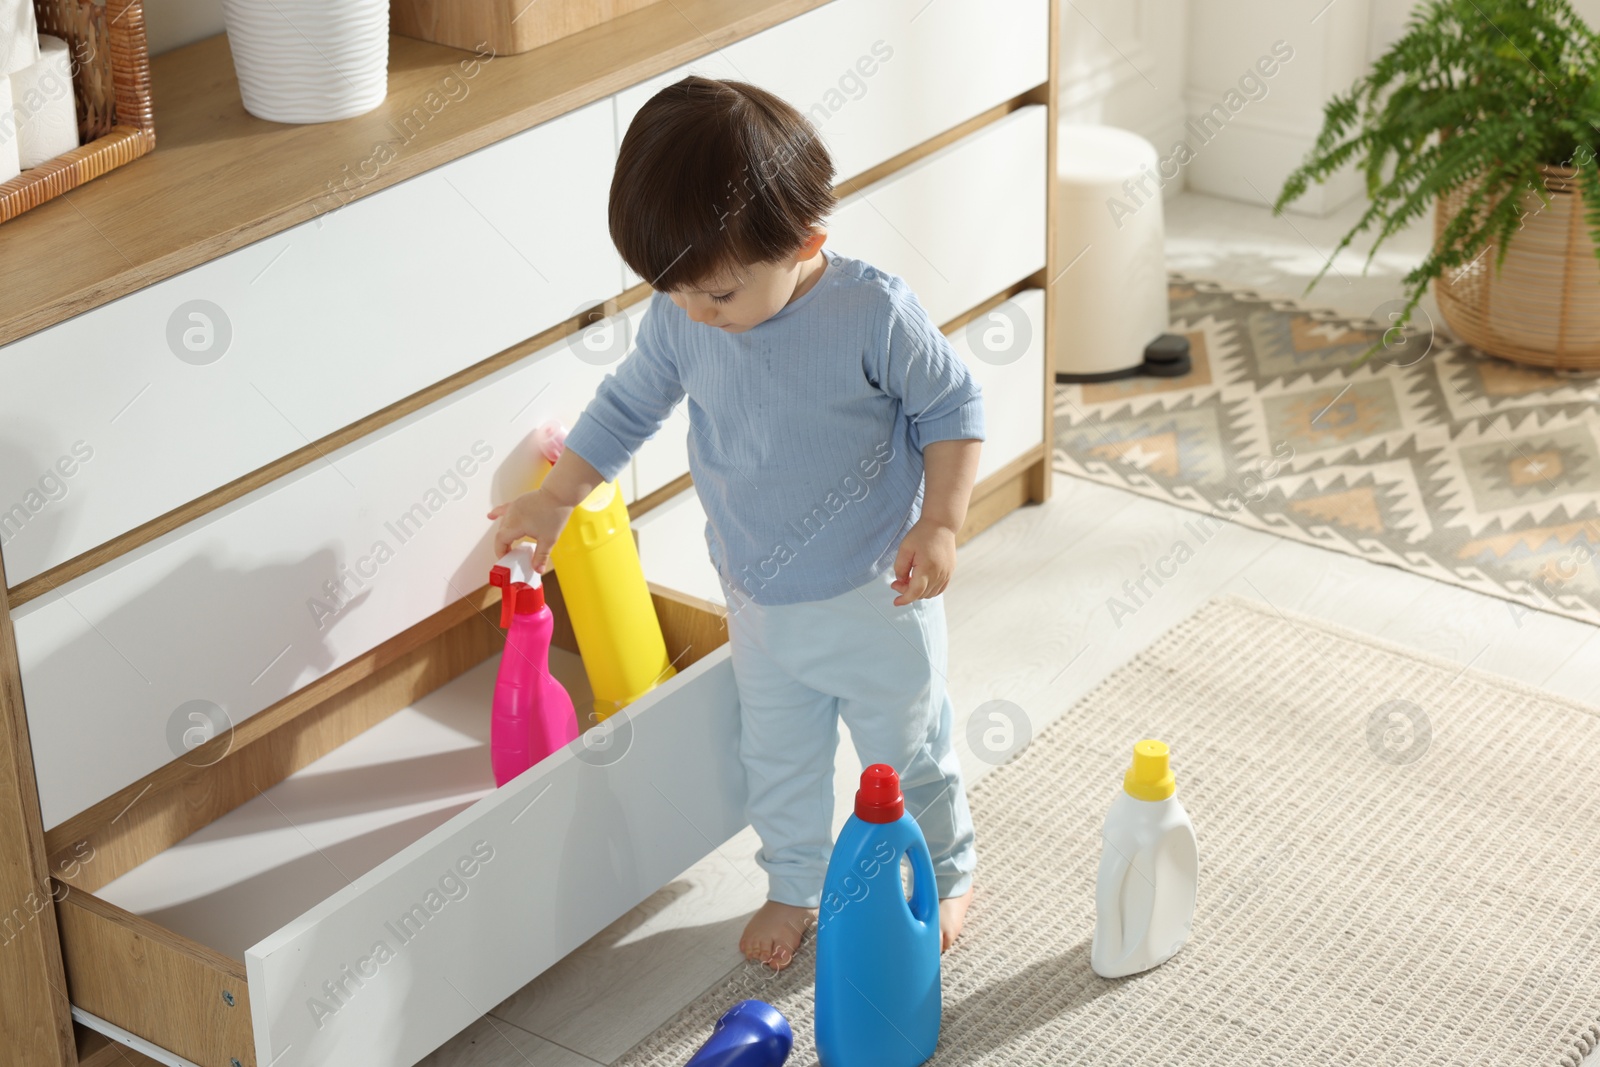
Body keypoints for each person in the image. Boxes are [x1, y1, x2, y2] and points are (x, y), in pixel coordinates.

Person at [488, 76, 981, 970]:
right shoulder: (685, 313)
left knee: (907, 754)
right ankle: (794, 881)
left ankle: (943, 872)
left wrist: (941, 523)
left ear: (806, 244)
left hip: (879, 594)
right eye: (672, 291)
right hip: (758, 597)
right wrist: (557, 496)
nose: (692, 313)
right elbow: (628, 402)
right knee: (779, 760)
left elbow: (954, 405)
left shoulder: (872, 312)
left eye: (714, 294)